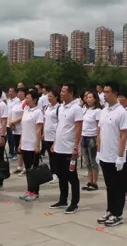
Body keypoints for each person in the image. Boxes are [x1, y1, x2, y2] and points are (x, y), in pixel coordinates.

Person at [95, 82, 127, 227]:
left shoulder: (121, 112)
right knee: (109, 186)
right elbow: (99, 132)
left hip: (116, 156)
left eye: (107, 92)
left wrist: (120, 156)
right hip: (104, 154)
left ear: (115, 94)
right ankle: (110, 210)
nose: (104, 95)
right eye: (104, 92)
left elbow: (123, 135)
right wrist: (98, 151)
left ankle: (118, 214)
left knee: (118, 187)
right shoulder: (103, 111)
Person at [50, 83, 83, 214]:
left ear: (71, 93)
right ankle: (63, 199)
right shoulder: (61, 107)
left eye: (64, 91)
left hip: (69, 149)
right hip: (59, 147)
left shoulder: (76, 108)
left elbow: (78, 128)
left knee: (72, 177)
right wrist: (54, 143)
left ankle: (74, 203)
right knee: (61, 175)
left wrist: (76, 146)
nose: (61, 93)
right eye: (61, 91)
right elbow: (60, 126)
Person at [18, 90, 45, 201]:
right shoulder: (26, 110)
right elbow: (23, 128)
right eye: (26, 98)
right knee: (28, 169)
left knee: (34, 170)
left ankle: (35, 192)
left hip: (33, 144)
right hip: (25, 144)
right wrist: (20, 143)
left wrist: (37, 145)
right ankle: (29, 190)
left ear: (34, 99)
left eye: (28, 98)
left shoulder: (38, 112)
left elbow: (39, 129)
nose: (26, 100)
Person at [81, 91, 102, 191]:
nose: (88, 99)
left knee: (93, 161)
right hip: (84, 136)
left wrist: (98, 139)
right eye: (87, 97)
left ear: (95, 99)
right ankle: (89, 181)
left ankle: (94, 182)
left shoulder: (97, 111)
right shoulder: (85, 109)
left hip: (92, 137)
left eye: (90, 97)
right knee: (87, 161)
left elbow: (99, 126)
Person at [43, 87, 61, 184]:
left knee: (55, 157)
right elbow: (45, 120)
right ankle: (53, 173)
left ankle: (57, 174)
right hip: (47, 135)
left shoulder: (59, 108)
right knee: (50, 156)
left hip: (55, 136)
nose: (49, 98)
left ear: (56, 97)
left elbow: (59, 123)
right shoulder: (47, 107)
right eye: (48, 96)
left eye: (51, 96)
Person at [10, 88, 26, 174]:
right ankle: (19, 166)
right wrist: (11, 123)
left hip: (22, 129)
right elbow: (11, 113)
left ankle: (26, 167)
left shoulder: (25, 103)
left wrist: (14, 122)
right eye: (18, 92)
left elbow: (24, 115)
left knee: (23, 148)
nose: (19, 94)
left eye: (21, 92)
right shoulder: (16, 103)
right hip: (15, 129)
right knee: (17, 147)